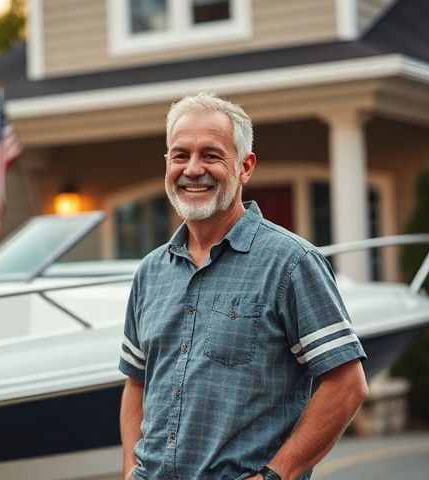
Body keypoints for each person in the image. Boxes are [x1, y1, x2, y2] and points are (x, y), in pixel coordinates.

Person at [118, 92, 369, 480]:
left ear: (245, 167)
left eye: (211, 155)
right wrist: (131, 470)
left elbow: (347, 385)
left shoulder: (292, 263)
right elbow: (136, 382)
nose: (193, 169)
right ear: (167, 163)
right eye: (180, 155)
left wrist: (276, 475)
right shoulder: (150, 272)